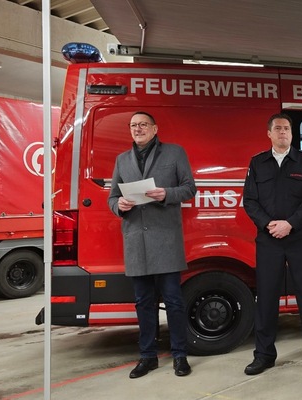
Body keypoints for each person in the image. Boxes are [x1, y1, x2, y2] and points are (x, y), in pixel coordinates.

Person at [242, 113, 302, 375]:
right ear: (269, 134)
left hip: (300, 238)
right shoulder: (257, 163)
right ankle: (263, 355)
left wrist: (290, 224)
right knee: (267, 298)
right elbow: (249, 200)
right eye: (278, 129)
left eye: (287, 129)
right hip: (269, 239)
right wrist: (269, 224)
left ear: (291, 134)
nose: (283, 132)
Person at [108, 111, 195, 378]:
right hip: (136, 241)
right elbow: (112, 197)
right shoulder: (122, 160)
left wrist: (166, 194)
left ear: (155, 128)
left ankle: (180, 355)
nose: (138, 129)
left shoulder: (175, 153)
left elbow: (190, 188)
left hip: (166, 240)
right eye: (134, 125)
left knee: (173, 301)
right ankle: (147, 357)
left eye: (143, 124)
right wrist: (119, 206)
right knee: (143, 302)